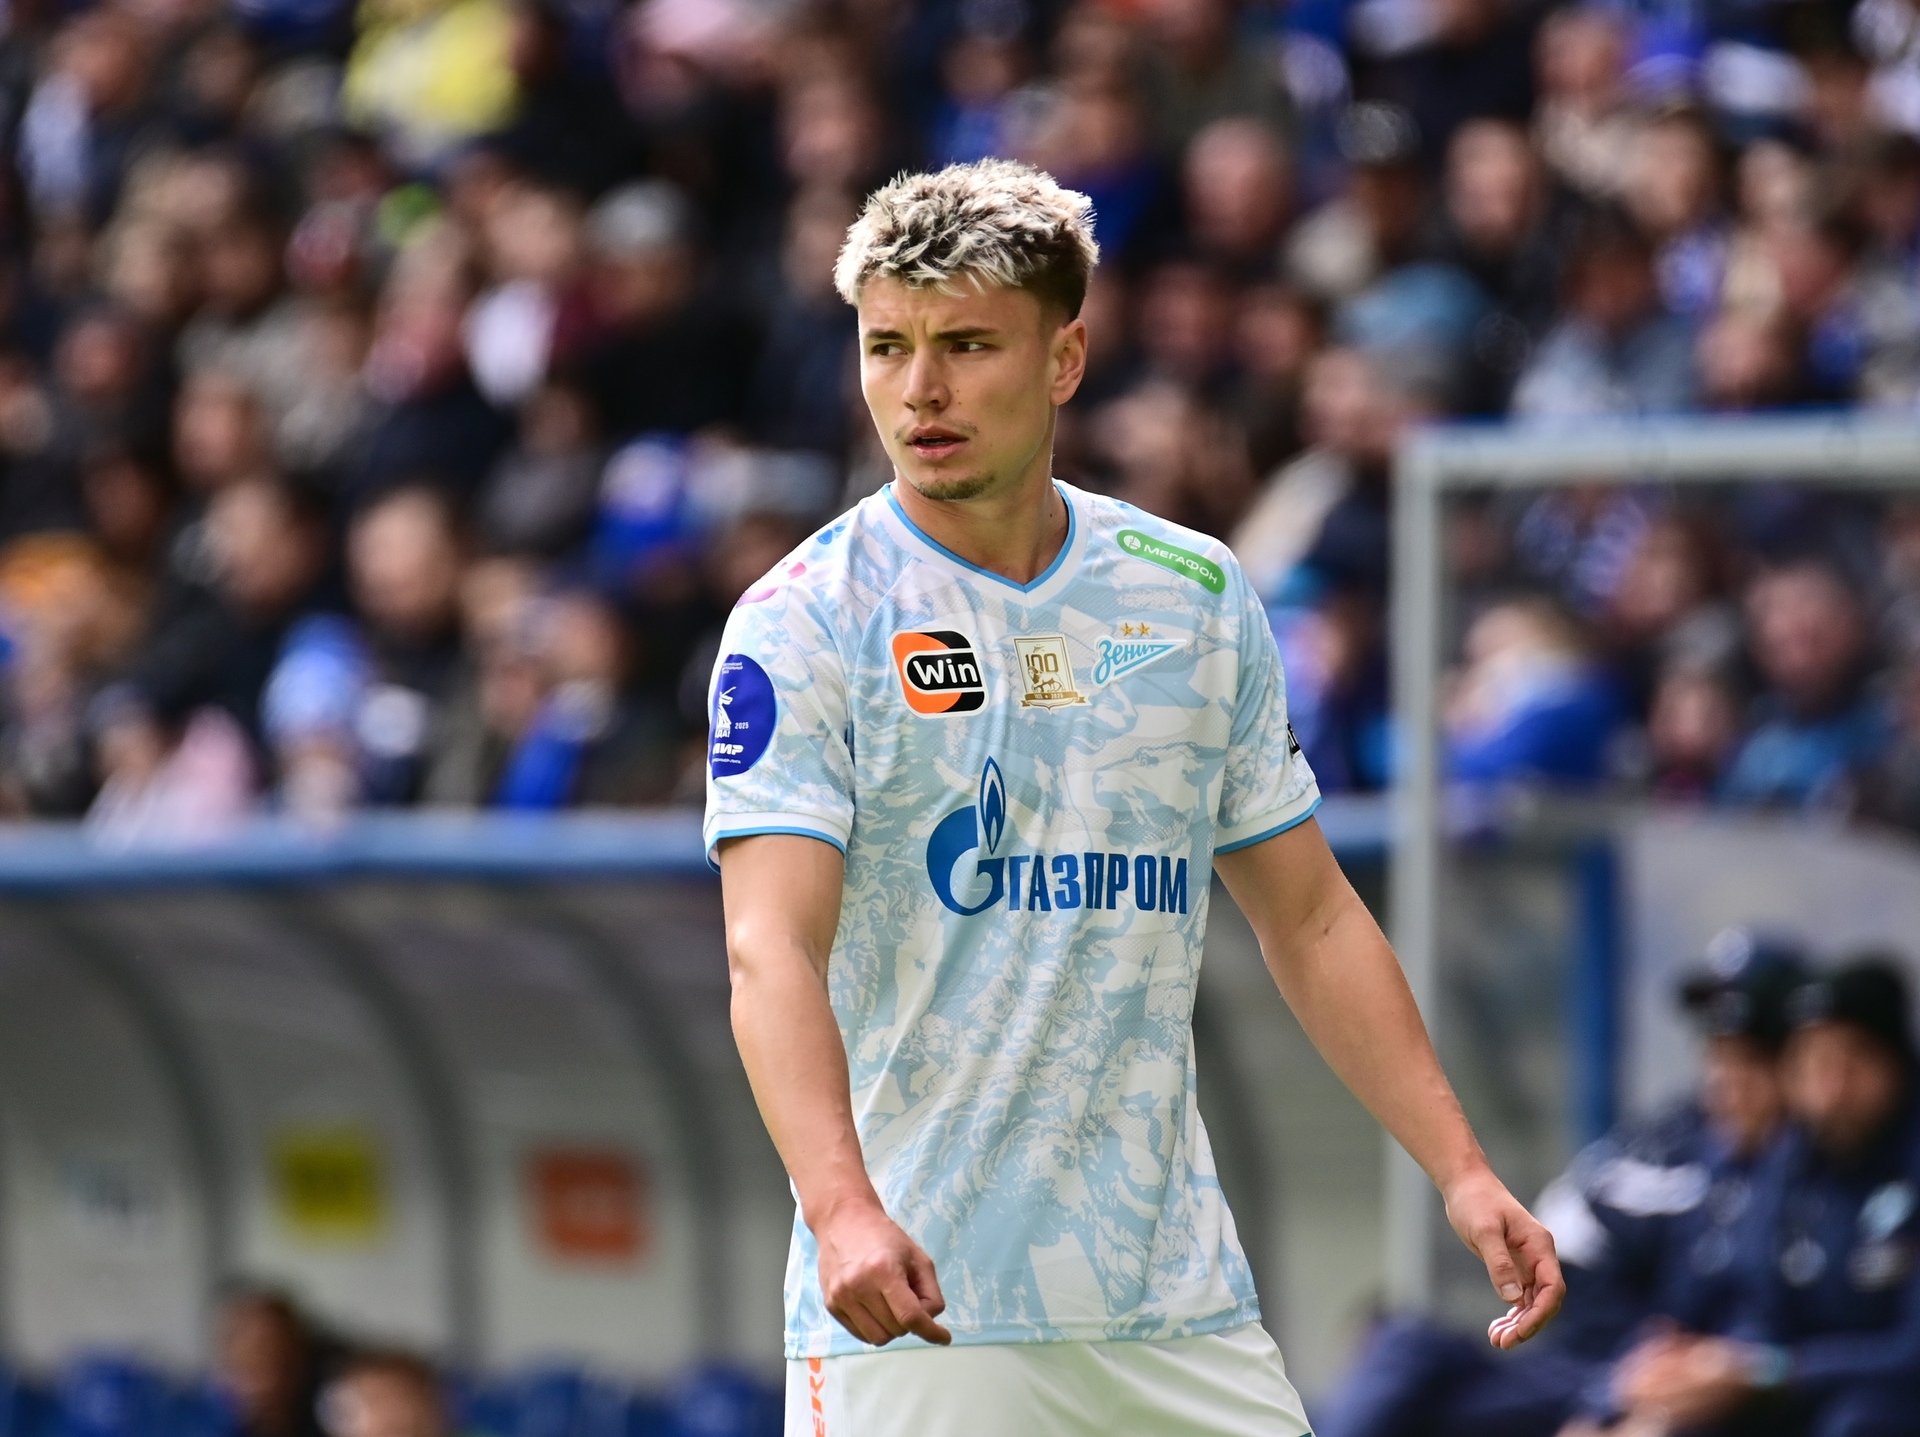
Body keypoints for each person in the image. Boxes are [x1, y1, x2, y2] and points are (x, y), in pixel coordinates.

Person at [706, 158, 1563, 1437]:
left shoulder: (1193, 595)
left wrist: (1463, 1170)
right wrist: (841, 1209)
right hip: (921, 1304)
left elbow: (1313, 917)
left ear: (1065, 358)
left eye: (966, 345)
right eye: (888, 347)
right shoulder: (805, 621)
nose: (920, 388)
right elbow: (768, 945)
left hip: (1173, 1310)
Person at [1315, 928, 1807, 1437]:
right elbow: (1569, 1217)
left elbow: (1760, 1338)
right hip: (1572, 1364)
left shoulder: (1804, 1174)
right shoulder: (1677, 1135)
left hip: (1654, 1383)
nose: (1725, 1079)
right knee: (1405, 1347)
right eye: (1718, 1052)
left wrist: (1628, 1401)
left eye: (1750, 1058)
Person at [1597, 957, 1920, 1436]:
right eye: (1816, 1065)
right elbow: (1757, 1310)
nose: (1832, 1091)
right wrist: (1693, 1368)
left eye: (1853, 1063)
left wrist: (1766, 1372)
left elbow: (1909, 1353)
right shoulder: (1791, 1163)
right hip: (1787, 1394)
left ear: (1895, 1064)